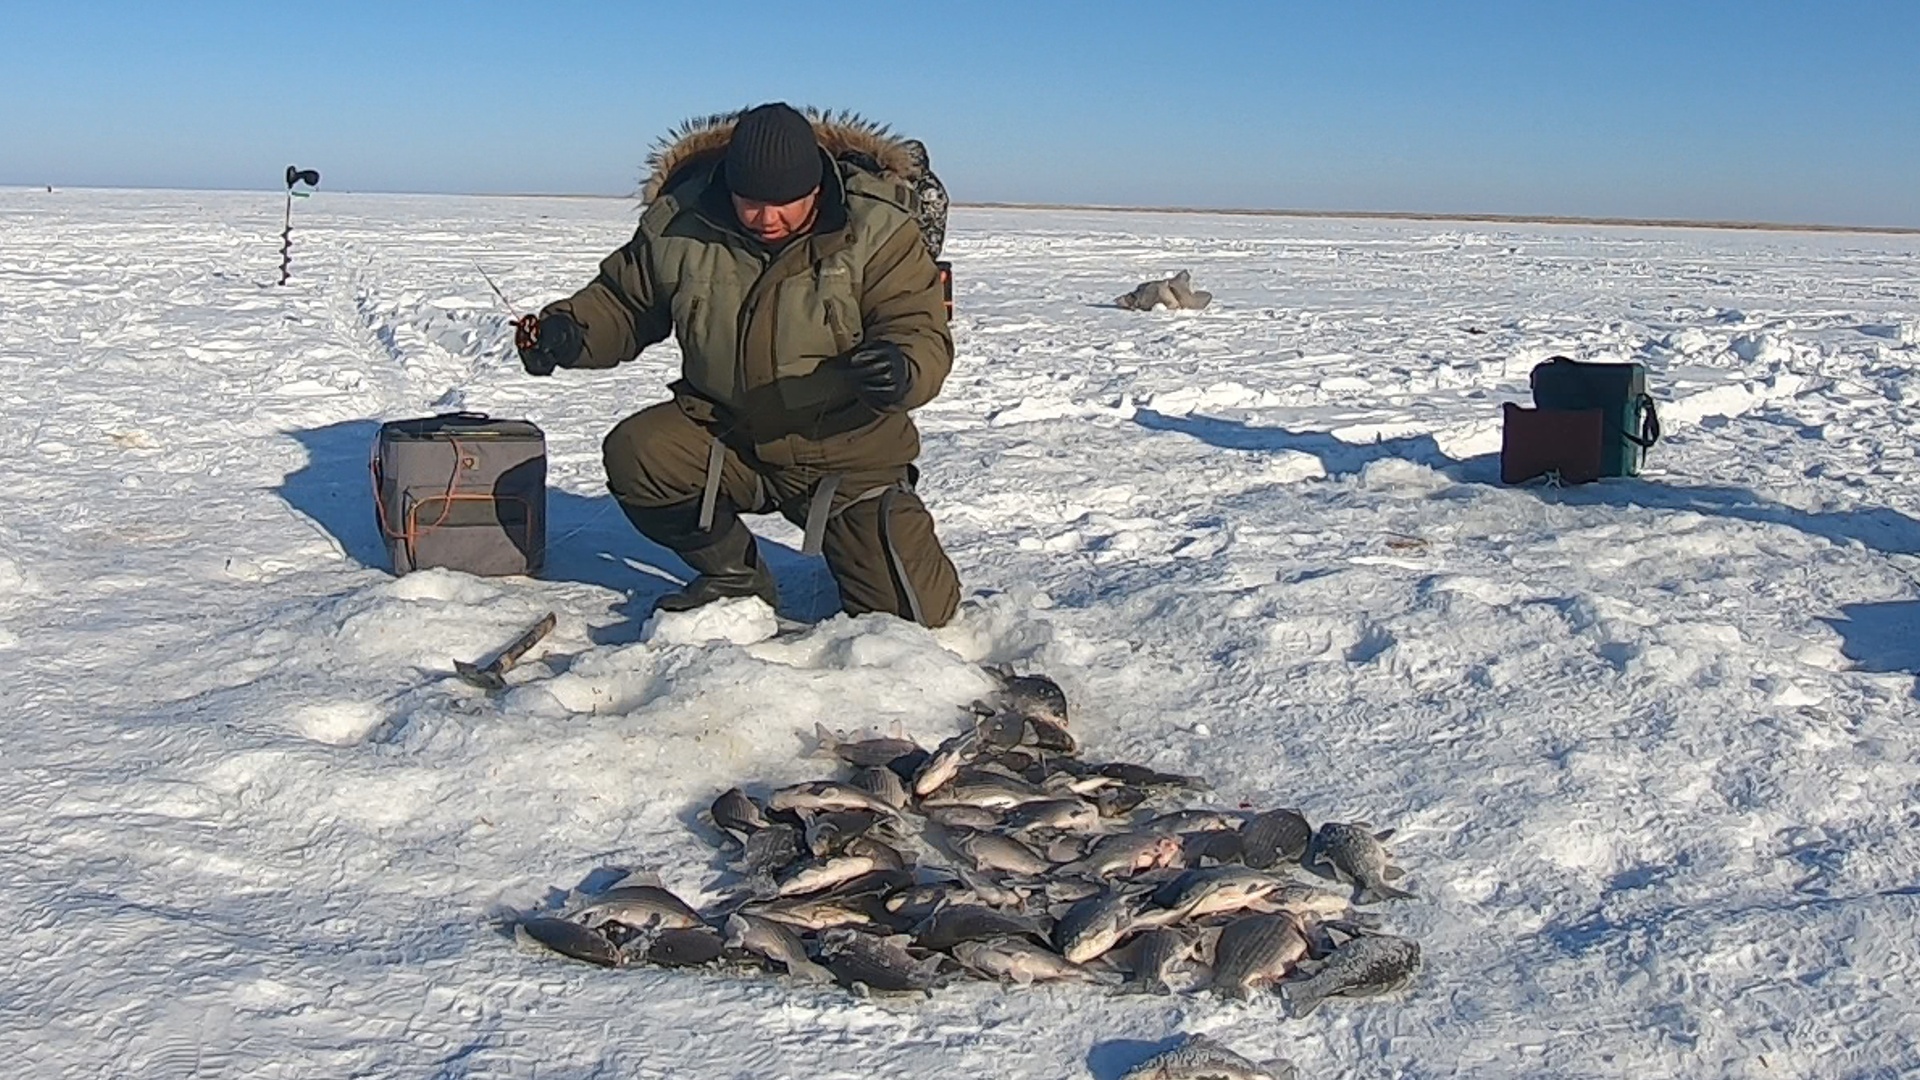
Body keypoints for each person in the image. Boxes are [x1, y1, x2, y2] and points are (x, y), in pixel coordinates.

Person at [516, 103, 962, 628]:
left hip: (846, 452)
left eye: (786, 204)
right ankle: (734, 576)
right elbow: (623, 304)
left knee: (918, 616)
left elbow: (918, 328)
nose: (767, 219)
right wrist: (569, 332)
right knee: (641, 454)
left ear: (818, 186)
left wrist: (901, 367)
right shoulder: (681, 227)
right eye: (750, 202)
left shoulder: (878, 232)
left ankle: (870, 536)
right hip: (729, 436)